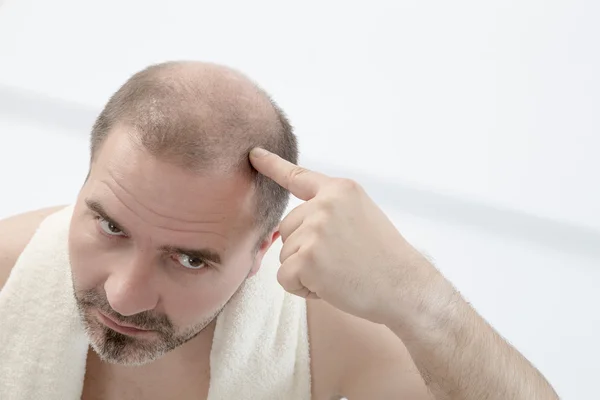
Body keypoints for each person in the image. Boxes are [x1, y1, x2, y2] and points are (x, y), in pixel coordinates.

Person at [0, 61, 558, 399]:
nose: (123, 294)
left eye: (190, 259)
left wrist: (417, 292)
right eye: (110, 226)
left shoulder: (320, 334)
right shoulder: (7, 270)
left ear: (260, 253)